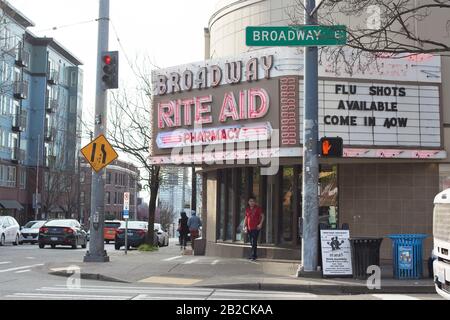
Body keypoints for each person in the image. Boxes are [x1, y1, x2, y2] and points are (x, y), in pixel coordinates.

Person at [244, 196, 264, 261]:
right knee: (251, 242)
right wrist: (244, 226)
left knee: (254, 241)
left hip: (256, 228)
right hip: (249, 228)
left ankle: (253, 256)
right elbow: (246, 218)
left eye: (253, 201)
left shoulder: (258, 208)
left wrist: (260, 224)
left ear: (255, 202)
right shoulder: (247, 209)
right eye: (250, 201)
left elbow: (263, 216)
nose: (251, 202)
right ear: (248, 202)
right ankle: (254, 255)